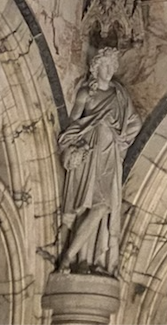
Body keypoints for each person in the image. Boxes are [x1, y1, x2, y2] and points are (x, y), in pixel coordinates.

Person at [58, 48, 142, 276]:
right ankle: (79, 258)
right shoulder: (87, 93)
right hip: (91, 154)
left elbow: (135, 123)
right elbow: (74, 123)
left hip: (110, 157)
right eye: (103, 65)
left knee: (102, 207)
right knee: (87, 206)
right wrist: (76, 144)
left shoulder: (120, 95)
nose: (108, 70)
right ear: (96, 68)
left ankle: (74, 256)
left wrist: (121, 140)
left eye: (111, 66)